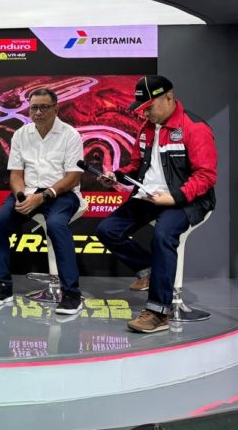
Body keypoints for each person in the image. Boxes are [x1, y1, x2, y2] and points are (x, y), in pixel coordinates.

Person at [95, 75, 217, 333]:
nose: (144, 113)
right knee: (107, 230)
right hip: (150, 196)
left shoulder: (195, 127)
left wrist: (174, 198)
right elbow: (136, 166)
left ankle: (159, 313)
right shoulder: (146, 128)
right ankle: (149, 270)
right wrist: (117, 176)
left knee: (163, 236)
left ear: (169, 98)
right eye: (141, 108)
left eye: (149, 107)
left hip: (186, 200)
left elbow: (206, 176)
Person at [0, 89, 85, 315]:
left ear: (56, 108)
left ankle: (71, 294)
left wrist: (43, 196)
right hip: (28, 191)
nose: (38, 112)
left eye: (44, 107)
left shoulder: (70, 135)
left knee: (56, 226)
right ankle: (3, 286)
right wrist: (21, 196)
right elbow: (15, 174)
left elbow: (73, 177)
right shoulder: (21, 134)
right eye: (33, 108)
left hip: (61, 193)